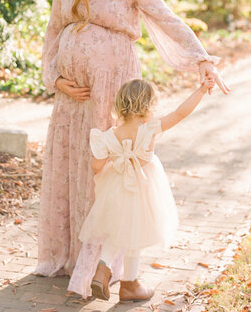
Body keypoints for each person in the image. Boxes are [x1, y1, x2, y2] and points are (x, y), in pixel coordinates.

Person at [33, 0, 229, 291]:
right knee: (75, 163)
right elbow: (53, 34)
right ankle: (74, 257)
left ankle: (100, 264)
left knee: (109, 171)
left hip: (112, 89)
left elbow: (168, 20)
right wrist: (56, 79)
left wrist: (201, 59)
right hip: (72, 98)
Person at [68, 76, 216, 301]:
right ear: (148, 105)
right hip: (144, 188)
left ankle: (103, 269)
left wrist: (109, 165)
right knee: (134, 233)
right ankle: (129, 284)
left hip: (116, 188)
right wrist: (201, 90)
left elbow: (96, 166)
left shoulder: (109, 135)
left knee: (117, 232)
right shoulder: (149, 128)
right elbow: (180, 113)